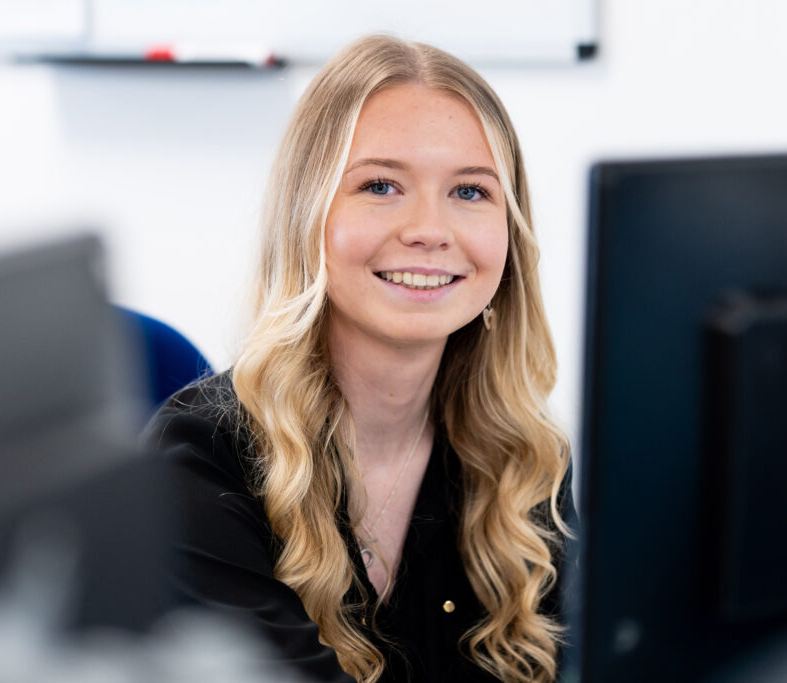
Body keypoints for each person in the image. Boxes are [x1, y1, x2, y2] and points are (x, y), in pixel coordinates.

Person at [141, 34, 575, 683]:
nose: (430, 229)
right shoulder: (200, 464)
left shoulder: (521, 461)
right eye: (380, 184)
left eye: (470, 192)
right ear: (306, 214)